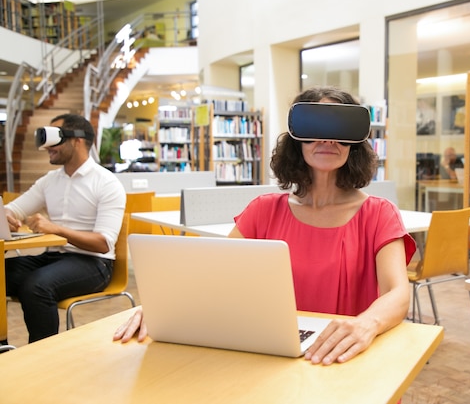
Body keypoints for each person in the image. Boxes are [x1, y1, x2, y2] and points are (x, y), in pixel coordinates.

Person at [114, 86, 416, 365]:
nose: (327, 140)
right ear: (297, 140)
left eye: (338, 128)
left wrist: (368, 323)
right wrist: (166, 304)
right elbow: (212, 271)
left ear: (355, 142)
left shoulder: (379, 214)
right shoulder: (263, 210)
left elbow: (397, 292)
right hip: (270, 355)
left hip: (343, 356)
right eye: (314, 128)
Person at [5, 114, 126, 343]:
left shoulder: (107, 183)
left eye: (54, 138)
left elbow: (103, 243)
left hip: (94, 264)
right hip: (53, 258)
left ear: (77, 141)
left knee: (37, 286)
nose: (47, 147)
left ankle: (43, 356)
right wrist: (7, 216)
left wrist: (57, 230)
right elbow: (14, 209)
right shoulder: (49, 181)